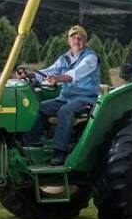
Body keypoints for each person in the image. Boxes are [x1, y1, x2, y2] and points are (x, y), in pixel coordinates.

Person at [21, 25, 100, 165]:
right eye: (73, 37)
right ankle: (32, 144)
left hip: (86, 98)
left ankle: (60, 152)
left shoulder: (90, 58)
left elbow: (75, 74)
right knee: (37, 107)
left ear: (85, 41)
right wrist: (31, 74)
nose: (77, 40)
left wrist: (57, 79)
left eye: (80, 38)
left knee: (65, 111)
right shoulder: (65, 58)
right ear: (69, 40)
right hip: (66, 98)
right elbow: (50, 71)